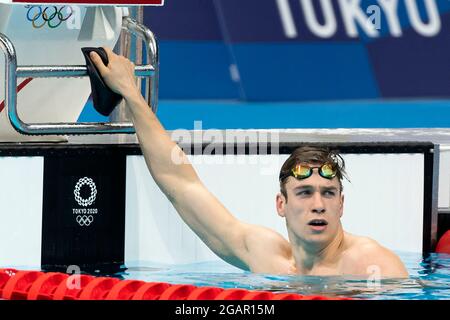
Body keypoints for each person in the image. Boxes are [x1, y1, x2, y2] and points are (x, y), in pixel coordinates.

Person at [89, 48, 409, 278]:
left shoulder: (369, 266)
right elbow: (181, 184)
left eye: (328, 193)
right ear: (280, 204)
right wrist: (130, 91)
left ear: (341, 205)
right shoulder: (265, 256)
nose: (318, 205)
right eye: (304, 192)